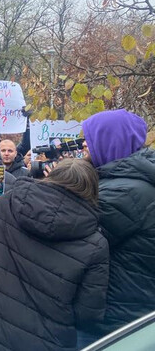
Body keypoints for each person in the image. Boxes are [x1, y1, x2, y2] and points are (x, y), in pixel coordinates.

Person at [0, 159, 109, 351]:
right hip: (46, 340)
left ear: (50, 177)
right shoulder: (96, 242)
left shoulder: (9, 202)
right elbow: (88, 314)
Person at [78, 109, 155, 345]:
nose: (84, 145)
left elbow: (71, 234)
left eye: (90, 139)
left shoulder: (123, 192)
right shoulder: (131, 180)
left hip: (115, 321)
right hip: (129, 311)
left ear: (111, 141)